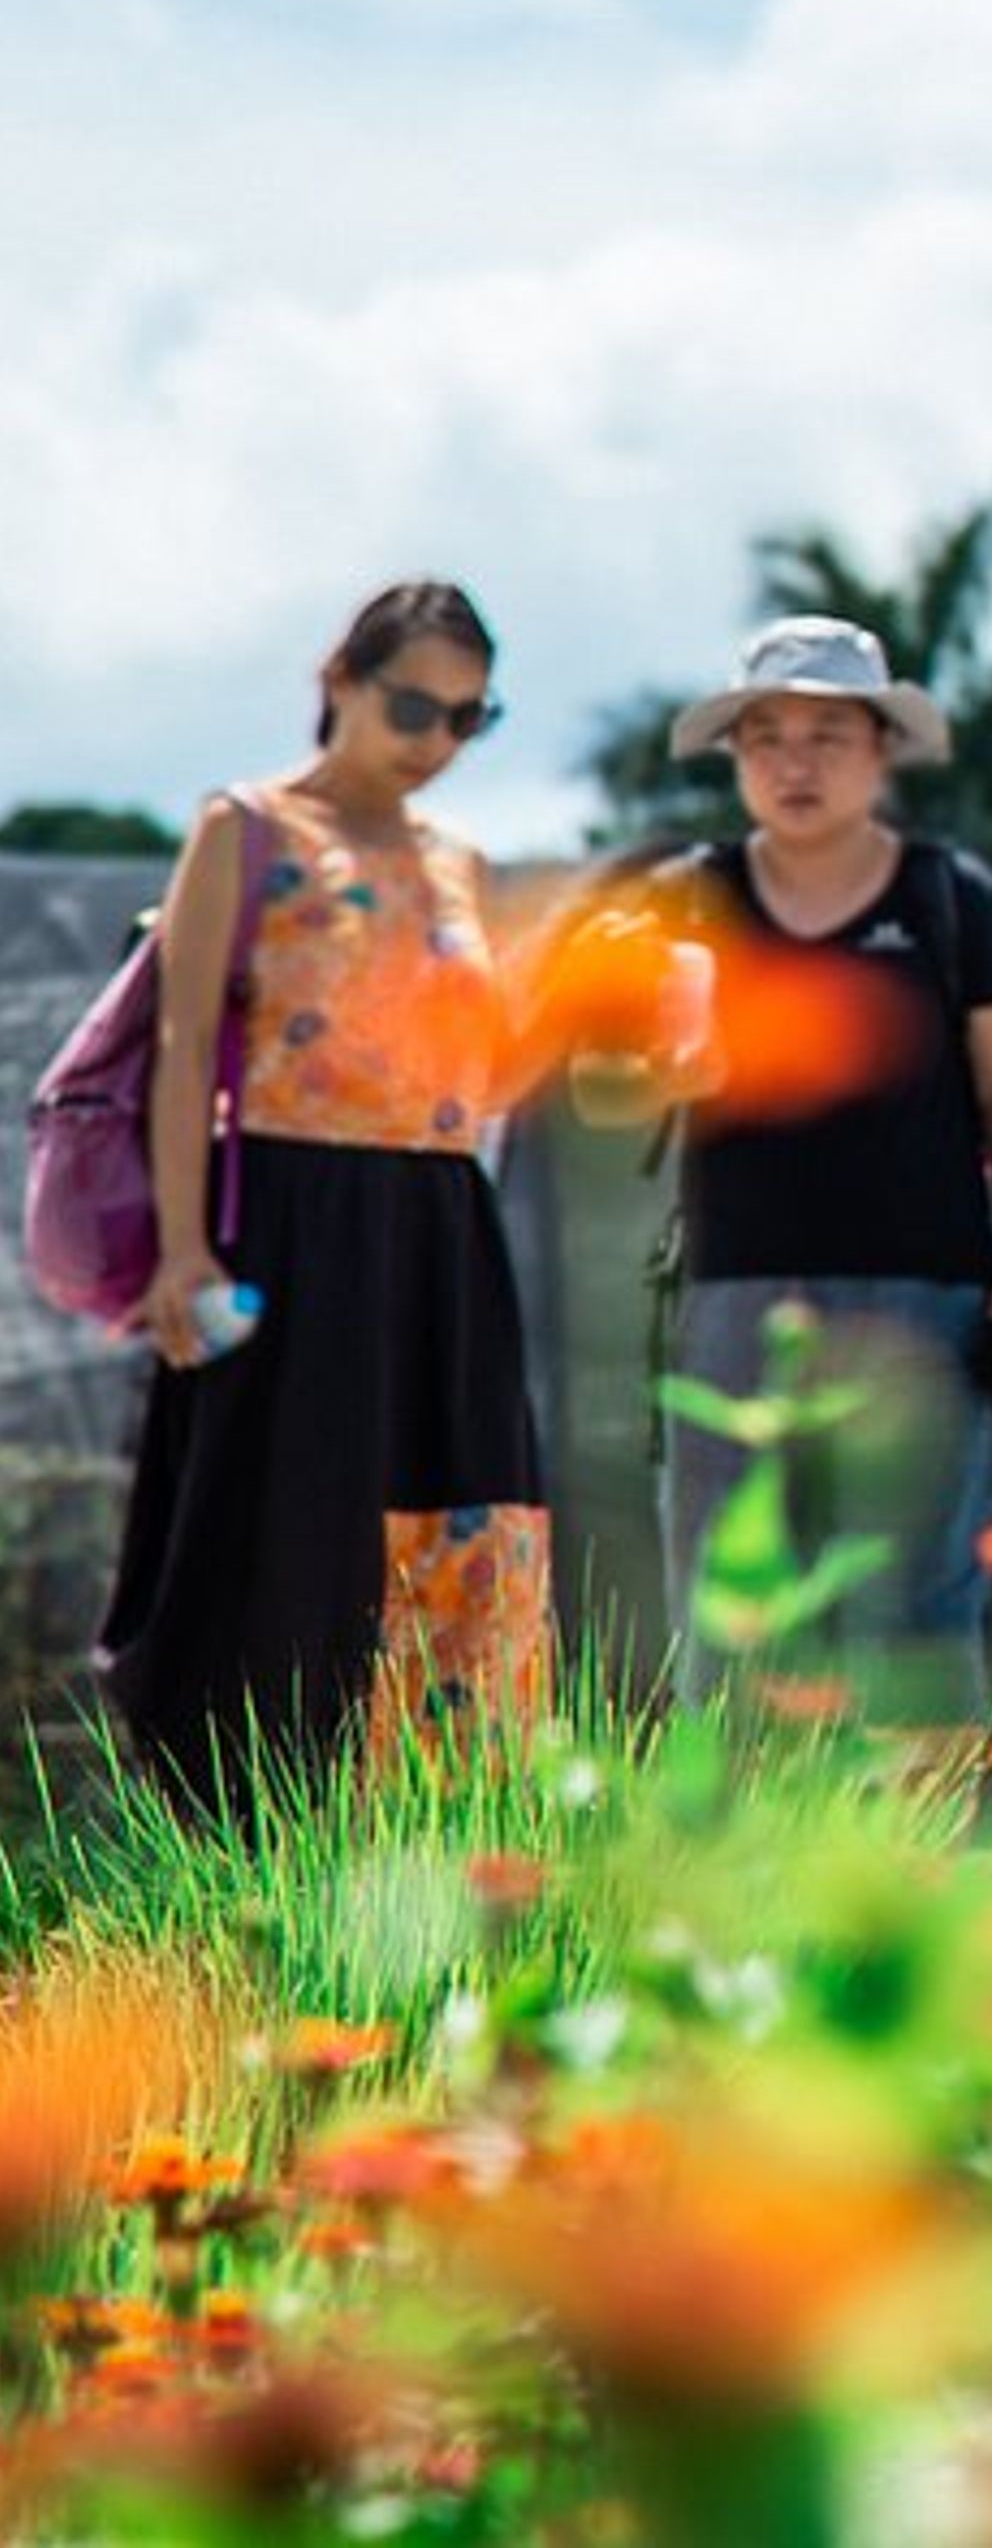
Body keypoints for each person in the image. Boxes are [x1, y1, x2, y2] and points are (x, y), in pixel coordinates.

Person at [101, 580, 550, 1807]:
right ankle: (255, 1848)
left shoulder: (465, 865)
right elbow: (188, 1047)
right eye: (413, 705)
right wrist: (184, 1252)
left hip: (446, 1230)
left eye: (472, 719)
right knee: (289, 1535)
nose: (436, 742)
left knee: (467, 1530)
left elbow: (493, 1066)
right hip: (294, 1218)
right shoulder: (245, 828)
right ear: (340, 680)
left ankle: (453, 1849)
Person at [650, 619, 992, 1717]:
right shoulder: (688, 898)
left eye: (828, 734)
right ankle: (731, 1877)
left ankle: (915, 1875)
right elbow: (616, 1093)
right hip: (736, 1298)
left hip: (926, 1303)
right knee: (731, 1605)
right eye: (767, 735)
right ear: (734, 757)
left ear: (881, 749)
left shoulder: (953, 899)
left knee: (918, 1609)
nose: (796, 762)